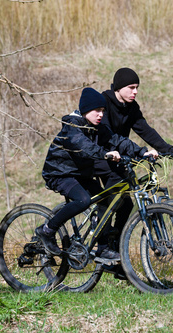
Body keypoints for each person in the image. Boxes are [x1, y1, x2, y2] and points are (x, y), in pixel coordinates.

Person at [35, 87, 151, 263]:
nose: (100, 115)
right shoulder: (72, 127)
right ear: (85, 110)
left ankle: (103, 248)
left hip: (80, 175)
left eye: (103, 111)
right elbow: (84, 147)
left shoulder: (97, 128)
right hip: (59, 173)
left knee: (106, 201)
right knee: (83, 200)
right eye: (97, 110)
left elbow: (119, 141)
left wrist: (142, 152)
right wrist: (105, 154)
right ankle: (47, 230)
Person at [94, 67, 173, 246]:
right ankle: (101, 245)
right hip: (99, 156)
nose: (135, 92)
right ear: (118, 88)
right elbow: (108, 136)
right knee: (111, 199)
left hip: (121, 157)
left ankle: (116, 247)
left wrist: (171, 152)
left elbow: (145, 130)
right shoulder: (104, 102)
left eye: (137, 87)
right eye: (131, 87)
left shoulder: (131, 107)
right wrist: (139, 151)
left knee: (127, 206)